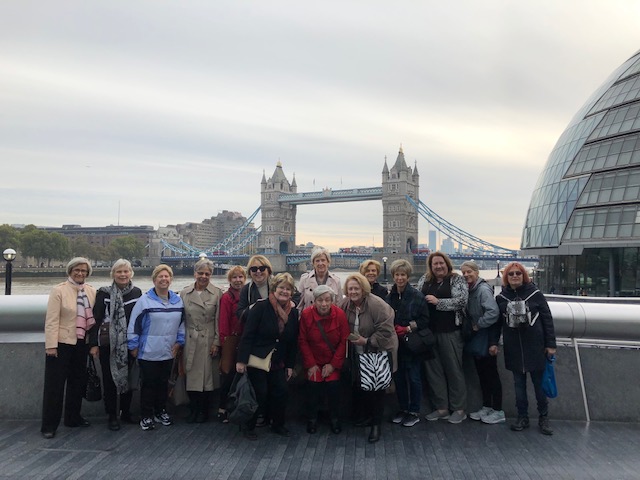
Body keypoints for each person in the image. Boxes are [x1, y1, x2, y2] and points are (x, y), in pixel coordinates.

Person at [236, 273, 299, 440]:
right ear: (274, 289)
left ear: (292, 292)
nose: (284, 291)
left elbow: (292, 341)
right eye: (281, 288)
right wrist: (241, 360)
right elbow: (247, 334)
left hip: (278, 360)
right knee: (259, 392)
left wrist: (290, 365)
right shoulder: (261, 307)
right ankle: (248, 426)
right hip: (257, 357)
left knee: (281, 391)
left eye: (288, 288)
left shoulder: (293, 312)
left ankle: (277, 424)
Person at [497, 262, 556, 435]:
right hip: (514, 348)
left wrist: (550, 345)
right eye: (511, 274)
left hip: (535, 348)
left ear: (524, 276)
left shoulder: (536, 294)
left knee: (539, 386)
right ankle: (522, 417)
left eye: (518, 273)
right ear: (506, 278)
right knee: (519, 387)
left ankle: (544, 418)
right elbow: (497, 324)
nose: (515, 276)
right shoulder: (501, 298)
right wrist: (493, 343)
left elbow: (547, 320)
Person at [41, 257, 97, 439]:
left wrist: (93, 344)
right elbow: (51, 320)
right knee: (54, 387)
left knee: (77, 383)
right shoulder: (59, 291)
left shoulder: (91, 291)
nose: (80, 273)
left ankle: (73, 418)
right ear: (70, 271)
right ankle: (49, 425)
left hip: (82, 343)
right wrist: (51, 345)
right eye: (77, 270)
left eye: (83, 271)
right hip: (61, 344)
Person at [339, 273, 397, 443]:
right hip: (357, 353)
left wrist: (368, 341)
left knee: (376, 390)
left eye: (356, 288)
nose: (353, 292)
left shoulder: (377, 304)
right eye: (350, 288)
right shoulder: (345, 304)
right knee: (360, 386)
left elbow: (387, 330)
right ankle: (364, 417)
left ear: (363, 288)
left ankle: (376, 426)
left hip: (377, 351)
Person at [128, 264, 185, 431]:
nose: (164, 279)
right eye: (160, 276)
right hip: (148, 351)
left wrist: (179, 342)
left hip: (168, 351)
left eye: (167, 276)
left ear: (171, 280)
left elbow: (182, 324)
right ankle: (146, 415)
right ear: (154, 280)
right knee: (148, 384)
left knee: (163, 384)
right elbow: (134, 324)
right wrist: (133, 345)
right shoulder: (144, 301)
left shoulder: (177, 300)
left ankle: (161, 411)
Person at [417, 251, 469, 424]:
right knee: (434, 372)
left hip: (450, 332)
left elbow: (462, 301)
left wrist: (438, 302)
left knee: (454, 370)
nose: (438, 266)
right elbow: (417, 299)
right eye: (435, 264)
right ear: (430, 267)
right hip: (429, 333)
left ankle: (459, 409)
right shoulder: (425, 280)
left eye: (441, 263)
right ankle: (442, 408)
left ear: (447, 263)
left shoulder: (457, 279)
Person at [91, 259, 142, 431]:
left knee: (127, 378)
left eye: (126, 271)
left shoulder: (137, 292)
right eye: (119, 272)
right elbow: (96, 320)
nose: (122, 275)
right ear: (113, 274)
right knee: (110, 379)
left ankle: (125, 412)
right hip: (109, 345)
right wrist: (93, 344)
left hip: (130, 343)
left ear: (131, 274)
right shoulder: (103, 294)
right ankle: (112, 415)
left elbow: (140, 319)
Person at [298, 285, 350, 435]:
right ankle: (312, 419)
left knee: (334, 388)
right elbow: (303, 340)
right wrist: (311, 364)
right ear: (314, 301)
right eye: (320, 300)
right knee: (312, 387)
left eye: (327, 300)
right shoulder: (307, 315)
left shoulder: (339, 314)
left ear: (332, 301)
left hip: (332, 361)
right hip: (314, 360)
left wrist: (333, 365)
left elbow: (343, 340)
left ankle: (334, 418)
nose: (324, 304)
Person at [386, 259, 429, 428]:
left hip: (412, 344)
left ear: (408, 276)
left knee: (414, 378)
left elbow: (425, 320)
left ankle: (414, 411)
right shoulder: (390, 296)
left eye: (403, 274)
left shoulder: (417, 296)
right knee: (400, 378)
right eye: (397, 275)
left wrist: (408, 328)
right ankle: (403, 408)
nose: (400, 278)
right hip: (396, 345)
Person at [460, 261, 503, 425]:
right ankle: (487, 406)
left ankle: (498, 410)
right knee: (483, 375)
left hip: (486, 338)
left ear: (476, 272)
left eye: (469, 272)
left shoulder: (483, 290)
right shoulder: (470, 290)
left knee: (491, 375)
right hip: (478, 340)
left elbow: (493, 312)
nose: (466, 275)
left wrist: (478, 325)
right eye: (463, 273)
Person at [180, 258, 222, 423]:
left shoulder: (218, 293)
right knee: (191, 377)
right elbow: (180, 318)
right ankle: (194, 409)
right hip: (190, 338)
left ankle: (204, 411)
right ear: (194, 273)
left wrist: (217, 342)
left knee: (207, 378)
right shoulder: (184, 293)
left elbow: (219, 320)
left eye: (207, 273)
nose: (204, 276)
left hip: (208, 339)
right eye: (200, 273)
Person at [217, 265, 247, 423]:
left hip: (246, 340)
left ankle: (239, 406)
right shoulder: (227, 297)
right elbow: (223, 321)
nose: (238, 280)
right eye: (234, 277)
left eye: (241, 277)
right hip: (231, 340)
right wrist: (224, 342)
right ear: (230, 280)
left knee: (244, 377)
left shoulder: (248, 294)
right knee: (228, 376)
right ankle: (223, 408)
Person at [298, 246, 342, 311]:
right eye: (317, 261)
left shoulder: (336, 281)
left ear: (328, 262)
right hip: (309, 319)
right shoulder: (304, 279)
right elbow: (300, 305)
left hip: (329, 319)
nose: (320, 263)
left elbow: (339, 305)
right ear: (313, 263)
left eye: (323, 260)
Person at [236, 255, 273, 324]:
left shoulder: (278, 285)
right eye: (254, 269)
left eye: (262, 268)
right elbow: (240, 314)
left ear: (268, 270)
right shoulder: (246, 289)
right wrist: (254, 307)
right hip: (255, 332)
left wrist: (293, 303)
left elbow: (296, 296)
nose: (258, 272)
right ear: (250, 272)